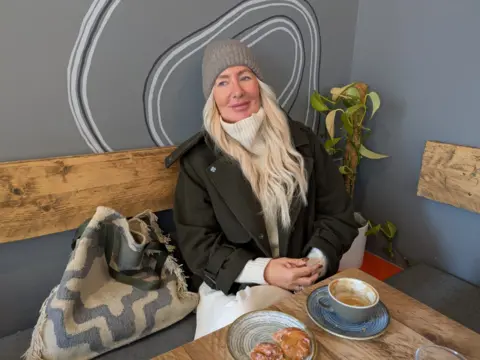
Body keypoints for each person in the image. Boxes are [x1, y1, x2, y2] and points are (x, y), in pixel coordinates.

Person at [165, 39, 358, 339]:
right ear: (212, 96)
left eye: (245, 76)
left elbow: (338, 215)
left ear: (259, 85)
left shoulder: (303, 142)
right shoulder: (198, 162)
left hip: (306, 280)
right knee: (240, 333)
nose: (237, 91)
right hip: (235, 286)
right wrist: (266, 271)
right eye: (223, 82)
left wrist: (315, 262)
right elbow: (198, 246)